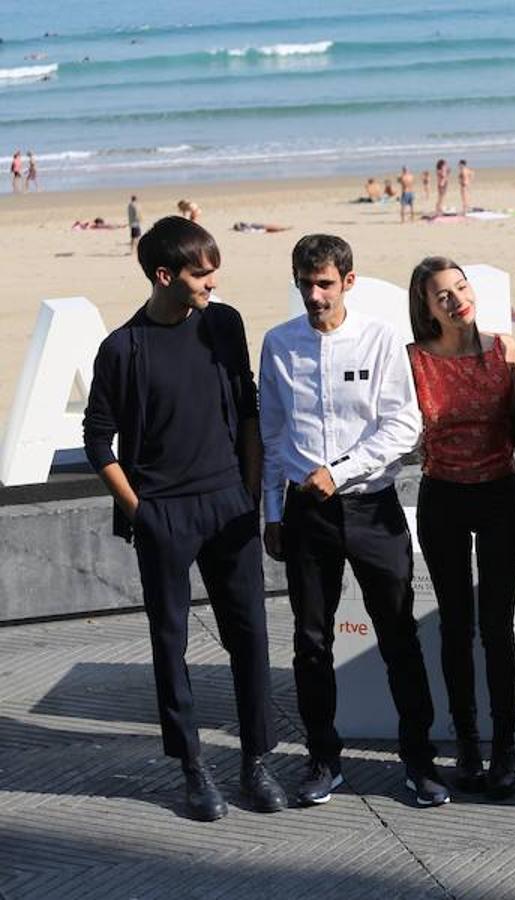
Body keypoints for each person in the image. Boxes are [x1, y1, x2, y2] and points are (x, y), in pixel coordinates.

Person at [81, 216, 283, 822]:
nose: (212, 282)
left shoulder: (225, 324)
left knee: (250, 635)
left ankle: (255, 762)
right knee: (170, 645)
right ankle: (194, 768)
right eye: (201, 273)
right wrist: (142, 512)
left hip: (230, 504)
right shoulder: (123, 348)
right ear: (164, 275)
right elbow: (96, 440)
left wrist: (248, 488)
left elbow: (247, 406)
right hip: (164, 514)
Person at [259, 234, 449, 808]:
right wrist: (272, 511)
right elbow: (270, 435)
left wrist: (338, 472)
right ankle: (323, 759)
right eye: (305, 283)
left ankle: (419, 762)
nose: (315, 295)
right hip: (304, 514)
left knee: (397, 636)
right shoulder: (277, 344)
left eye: (324, 283)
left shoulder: (380, 338)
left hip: (372, 506)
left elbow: (402, 427)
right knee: (310, 642)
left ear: (348, 281)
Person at [406, 257, 515, 800]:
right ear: (427, 308)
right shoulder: (413, 360)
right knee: (456, 626)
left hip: (502, 493)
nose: (456, 299)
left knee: (498, 627)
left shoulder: (507, 350)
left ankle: (506, 749)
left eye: (460, 287)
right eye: (442, 295)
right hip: (443, 497)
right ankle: (468, 745)